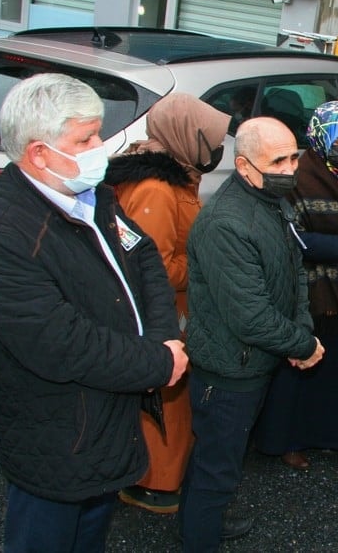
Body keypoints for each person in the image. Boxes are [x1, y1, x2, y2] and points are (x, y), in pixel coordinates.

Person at [0, 73, 188, 552]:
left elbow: (143, 256)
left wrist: (163, 338)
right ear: (38, 153)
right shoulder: (2, 235)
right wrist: (159, 364)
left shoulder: (92, 195)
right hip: (59, 440)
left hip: (106, 423)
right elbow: (60, 343)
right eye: (85, 138)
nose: (100, 147)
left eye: (98, 133)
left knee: (90, 535)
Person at [178, 117, 325, 553]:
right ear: (244, 167)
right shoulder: (227, 223)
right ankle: (198, 537)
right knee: (217, 470)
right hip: (229, 372)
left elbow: (294, 269)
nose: (290, 168)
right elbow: (251, 317)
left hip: (253, 360)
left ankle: (199, 523)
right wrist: (304, 345)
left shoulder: (267, 200)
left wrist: (303, 329)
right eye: (278, 160)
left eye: (294, 156)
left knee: (218, 462)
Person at [104, 93, 229, 513]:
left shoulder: (174, 174)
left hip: (175, 308)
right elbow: (150, 266)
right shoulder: (157, 188)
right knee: (166, 400)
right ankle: (153, 481)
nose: (217, 151)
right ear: (184, 138)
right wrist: (206, 266)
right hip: (163, 313)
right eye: (211, 141)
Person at [253, 102, 338, 470]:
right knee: (301, 369)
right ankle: (287, 440)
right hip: (313, 292)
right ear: (321, 138)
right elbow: (289, 235)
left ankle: (330, 435)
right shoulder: (299, 175)